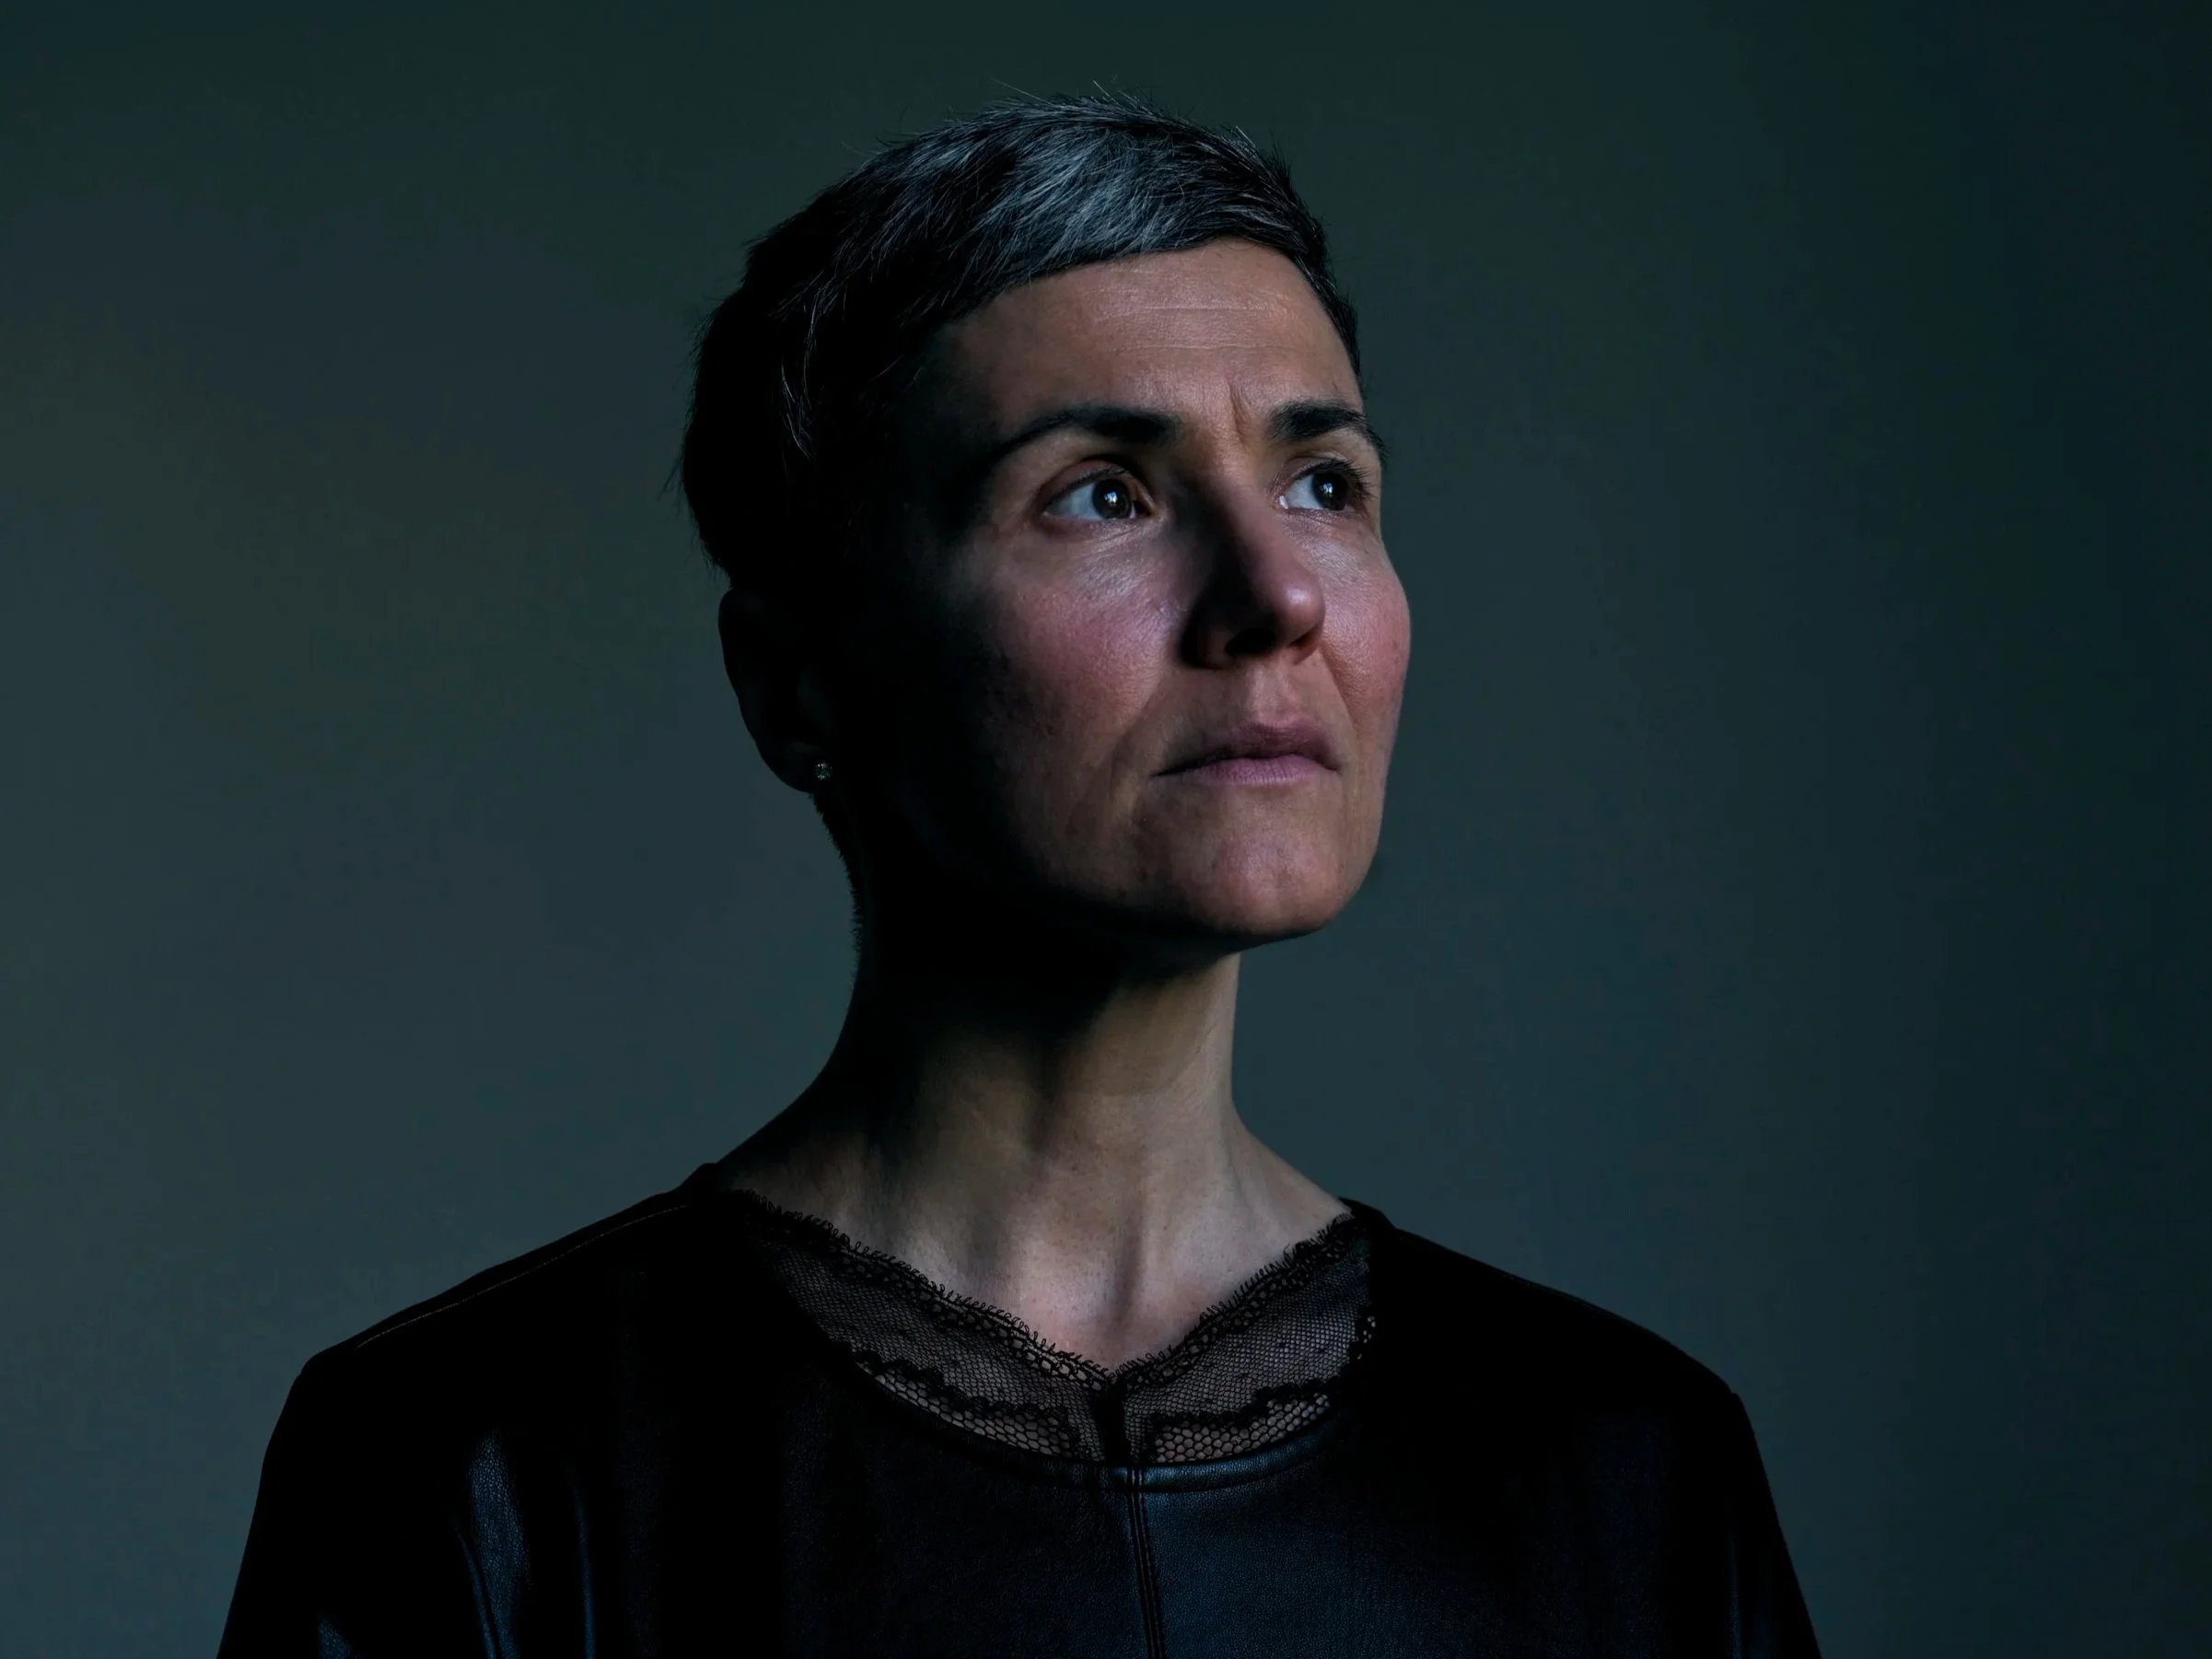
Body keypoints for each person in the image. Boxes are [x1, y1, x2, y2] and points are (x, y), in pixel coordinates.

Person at [218, 98, 1820, 1657]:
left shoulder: (1629, 1466)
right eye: (1101, 493)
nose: (1274, 597)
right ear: (800, 683)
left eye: (1322, 482)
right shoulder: (475, 1465)